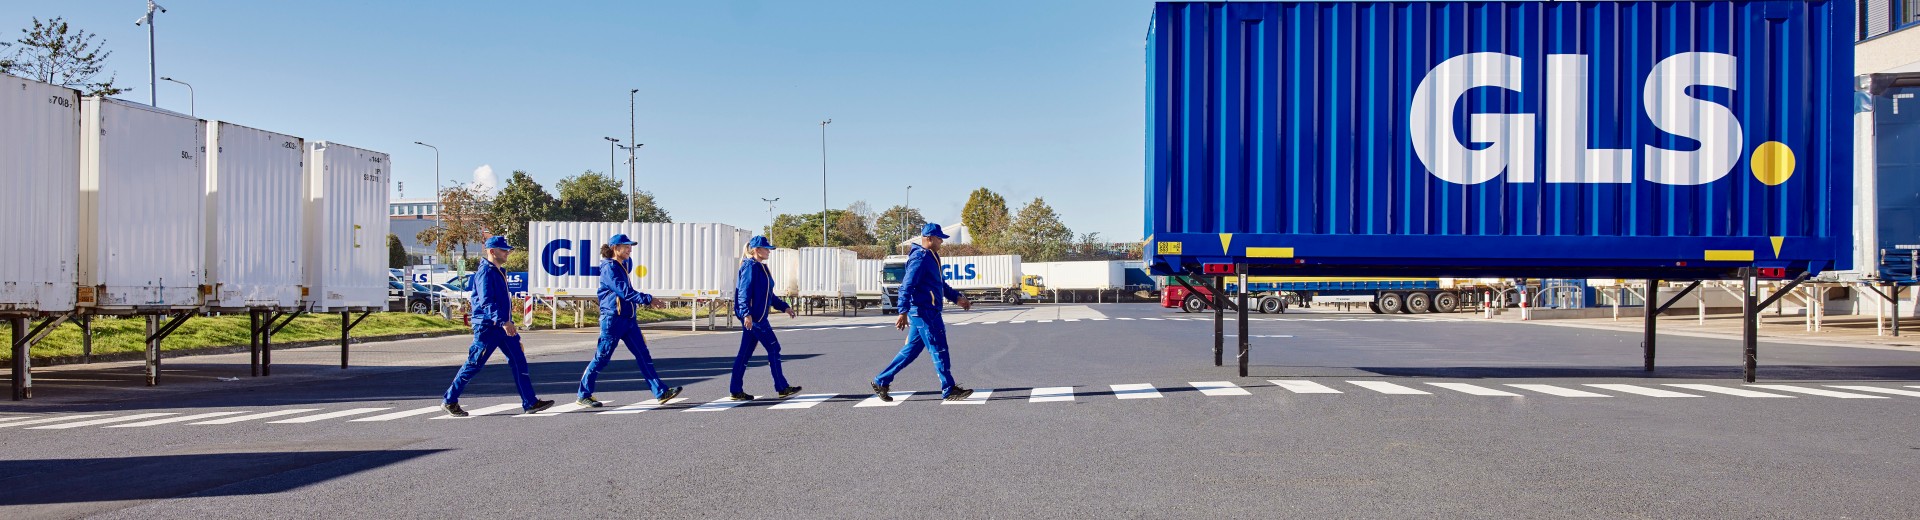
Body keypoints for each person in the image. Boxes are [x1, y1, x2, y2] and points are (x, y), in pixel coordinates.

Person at [443, 236, 554, 416]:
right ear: (492, 251)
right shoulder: (485, 273)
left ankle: (530, 402)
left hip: (502, 327)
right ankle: (450, 399)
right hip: (488, 328)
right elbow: (487, 302)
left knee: (519, 361)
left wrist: (505, 322)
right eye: (504, 250)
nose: (507, 253)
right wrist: (504, 321)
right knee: (474, 364)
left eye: (508, 250)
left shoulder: (498, 271)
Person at [576, 233, 683, 408]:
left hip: (629, 319)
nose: (629, 249)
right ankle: (583, 394)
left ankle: (661, 392)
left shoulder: (622, 264)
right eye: (625, 246)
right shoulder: (609, 268)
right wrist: (649, 299)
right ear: (614, 248)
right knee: (602, 357)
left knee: (643, 355)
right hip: (612, 319)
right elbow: (624, 291)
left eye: (630, 246)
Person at [871, 223, 974, 402]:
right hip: (924, 312)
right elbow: (907, 286)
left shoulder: (932, 256)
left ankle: (881, 380)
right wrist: (902, 311)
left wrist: (957, 298)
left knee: (910, 351)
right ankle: (949, 389)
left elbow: (939, 285)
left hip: (926, 310)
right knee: (939, 348)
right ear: (929, 238)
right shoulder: (920, 258)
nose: (942, 241)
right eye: (939, 237)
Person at [730, 236, 802, 401]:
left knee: (745, 353)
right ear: (756, 250)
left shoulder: (761, 267)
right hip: (755, 318)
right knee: (774, 348)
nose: (769, 251)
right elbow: (743, 293)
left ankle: (735, 390)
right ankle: (782, 387)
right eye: (766, 248)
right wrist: (746, 314)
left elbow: (769, 295)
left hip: (757, 317)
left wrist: (785, 307)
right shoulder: (750, 267)